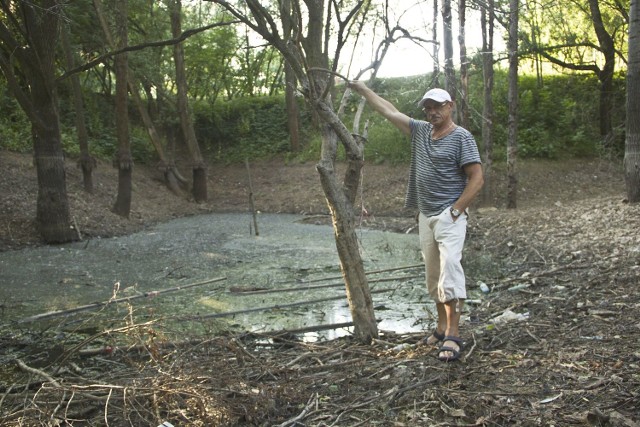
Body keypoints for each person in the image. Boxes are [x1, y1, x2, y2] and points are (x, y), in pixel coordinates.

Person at [349, 82, 484, 362]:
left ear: (451, 106)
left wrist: (457, 211)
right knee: (434, 276)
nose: (433, 112)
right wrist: (362, 89)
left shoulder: (462, 138)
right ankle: (441, 327)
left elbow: (477, 178)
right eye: (428, 107)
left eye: (438, 106)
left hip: (449, 216)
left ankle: (454, 336)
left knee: (450, 274)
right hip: (426, 215)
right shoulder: (421, 131)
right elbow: (388, 109)